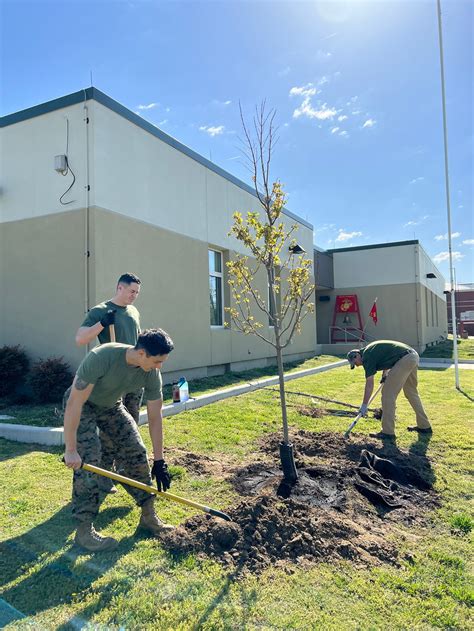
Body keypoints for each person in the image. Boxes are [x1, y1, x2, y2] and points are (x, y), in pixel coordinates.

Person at [63, 328, 175, 552]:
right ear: (141, 353)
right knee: (90, 460)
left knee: (135, 450)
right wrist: (71, 449)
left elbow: (155, 417)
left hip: (111, 406)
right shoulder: (102, 357)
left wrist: (160, 461)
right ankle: (84, 531)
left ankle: (148, 516)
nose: (159, 366)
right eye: (157, 360)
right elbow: (74, 403)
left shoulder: (151, 372)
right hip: (82, 406)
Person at [75, 272, 142, 492]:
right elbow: (80, 338)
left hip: (134, 378)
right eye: (132, 291)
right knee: (110, 429)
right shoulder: (100, 311)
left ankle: (124, 471)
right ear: (119, 288)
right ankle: (105, 473)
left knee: (129, 426)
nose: (134, 296)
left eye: (137, 293)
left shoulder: (133, 312)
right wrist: (102, 324)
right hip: (113, 380)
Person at [347, 340, 432, 439]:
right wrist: (384, 374)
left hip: (404, 359)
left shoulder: (367, 357)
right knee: (411, 392)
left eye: (355, 363)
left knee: (388, 394)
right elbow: (387, 357)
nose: (357, 365)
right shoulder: (370, 350)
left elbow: (369, 384)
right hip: (412, 356)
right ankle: (424, 426)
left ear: (357, 355)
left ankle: (388, 432)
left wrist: (364, 405)